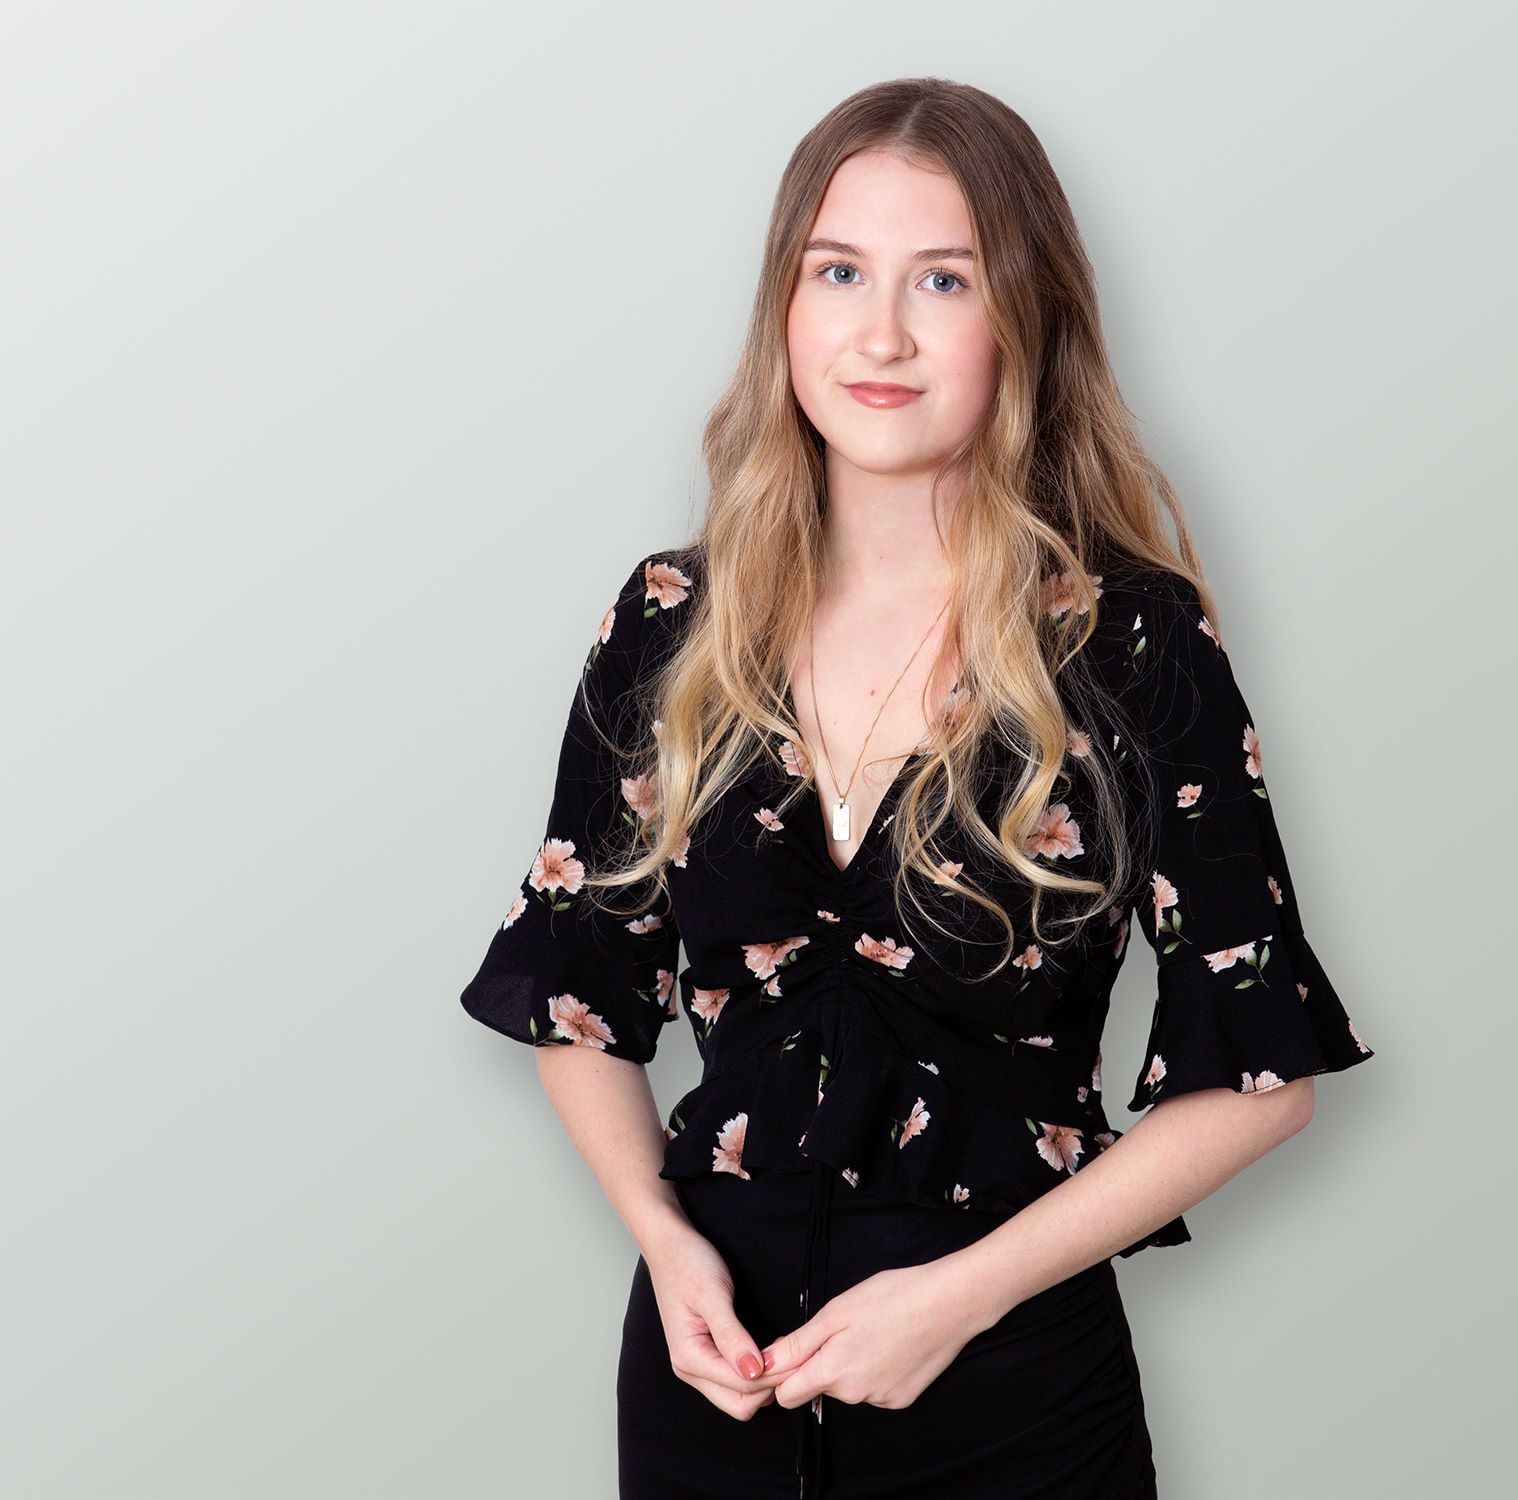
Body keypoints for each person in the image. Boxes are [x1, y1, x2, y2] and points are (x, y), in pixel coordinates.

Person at [457, 76, 1377, 1500]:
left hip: (1011, 1388)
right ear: (784, 307)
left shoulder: (1129, 642)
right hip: (712, 1379)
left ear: (1025, 318)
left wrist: (958, 1298)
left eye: (943, 279)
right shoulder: (669, 622)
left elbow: (1260, 1078)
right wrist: (664, 1240)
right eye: (839, 273)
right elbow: (577, 990)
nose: (880, 333)